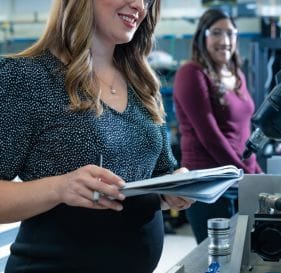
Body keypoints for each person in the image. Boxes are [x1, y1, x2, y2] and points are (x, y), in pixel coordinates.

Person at [0, 1, 194, 272]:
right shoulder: (27, 77)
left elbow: (157, 177)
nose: (139, 5)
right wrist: (60, 188)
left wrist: (174, 188)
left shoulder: (143, 85)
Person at [173, 8, 262, 244]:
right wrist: (245, 173)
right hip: (210, 184)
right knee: (218, 261)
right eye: (217, 33)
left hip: (240, 178)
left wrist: (257, 173)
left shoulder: (237, 75)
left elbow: (244, 130)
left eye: (231, 34)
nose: (225, 41)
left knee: (244, 257)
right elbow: (209, 135)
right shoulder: (191, 73)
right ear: (203, 36)